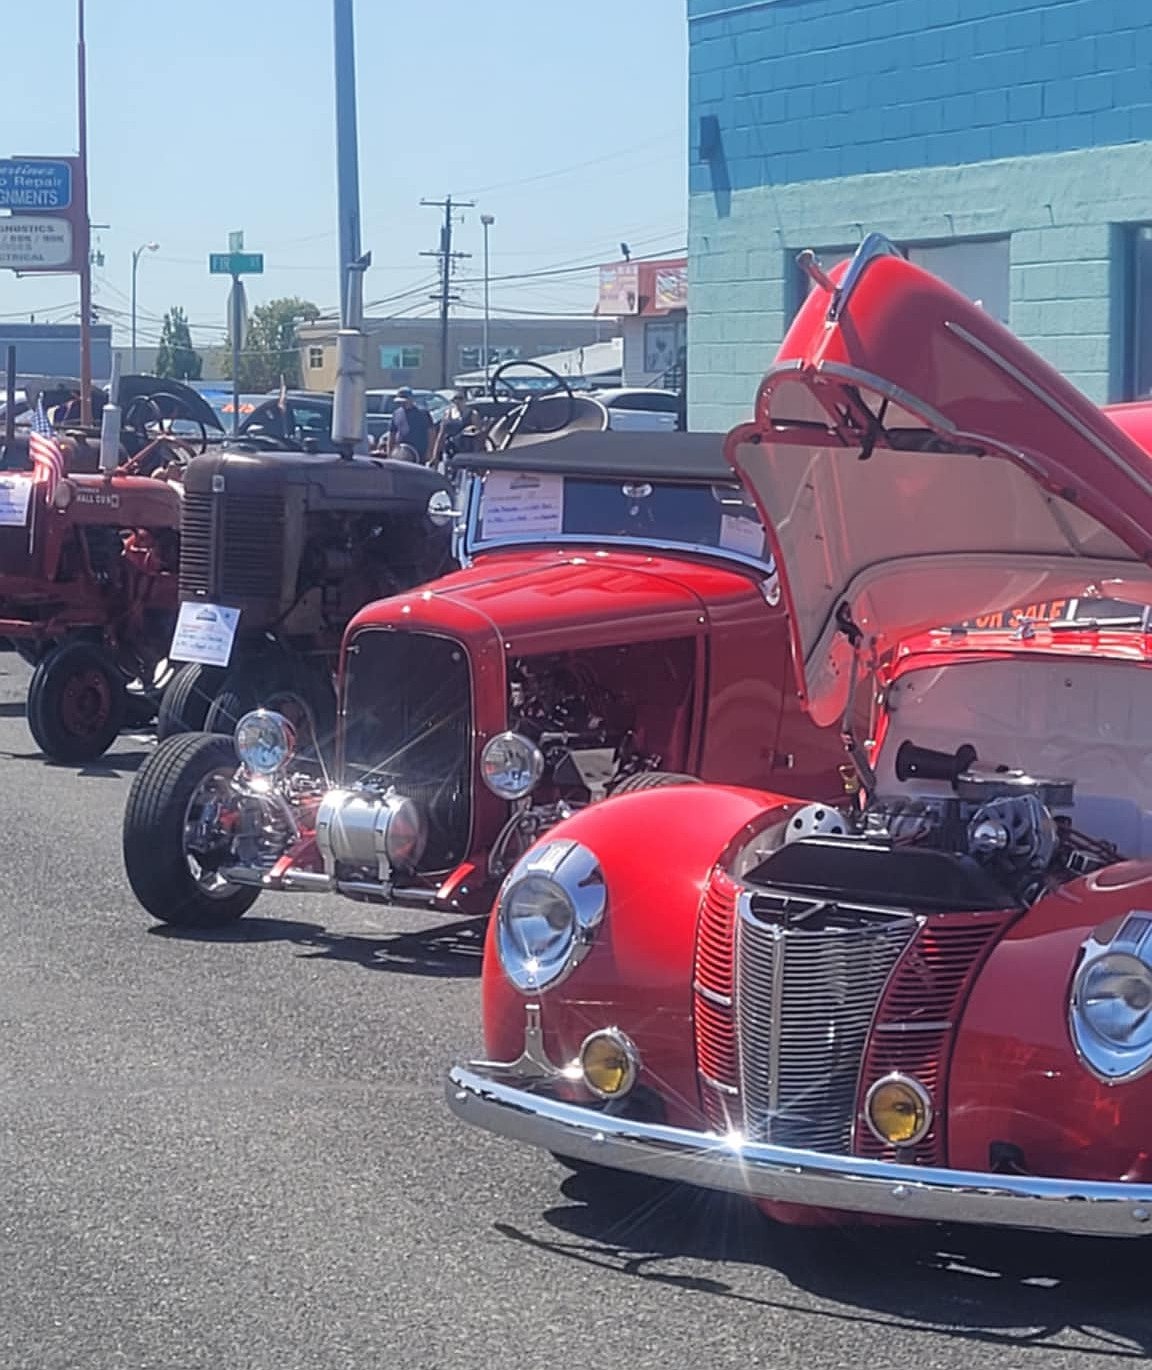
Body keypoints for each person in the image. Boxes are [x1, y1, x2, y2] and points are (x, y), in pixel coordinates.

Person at [430, 390, 481, 468]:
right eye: (455, 399)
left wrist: (477, 455)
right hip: (450, 449)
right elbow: (441, 435)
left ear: (465, 400)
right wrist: (435, 455)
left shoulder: (472, 414)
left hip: (466, 450)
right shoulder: (448, 414)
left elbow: (478, 436)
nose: (458, 401)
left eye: (460, 398)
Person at [387, 387, 435, 462]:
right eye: (400, 402)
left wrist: (430, 451)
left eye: (404, 401)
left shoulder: (422, 413)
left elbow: (431, 433)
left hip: (419, 451)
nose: (402, 404)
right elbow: (392, 434)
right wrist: (390, 452)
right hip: (402, 452)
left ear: (411, 399)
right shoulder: (397, 413)